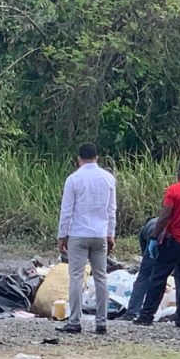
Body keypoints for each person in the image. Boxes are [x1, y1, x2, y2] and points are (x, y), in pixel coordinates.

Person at [134, 161, 180, 329]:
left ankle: (146, 315)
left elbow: (165, 216)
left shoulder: (173, 190)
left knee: (158, 277)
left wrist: (154, 237)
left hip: (173, 241)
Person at [56, 143, 117, 335]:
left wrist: (62, 235)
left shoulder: (73, 179)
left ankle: (74, 320)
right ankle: (101, 322)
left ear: (78, 159)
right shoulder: (108, 178)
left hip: (78, 234)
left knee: (76, 277)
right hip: (100, 234)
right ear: (97, 158)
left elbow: (66, 210)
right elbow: (111, 210)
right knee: (101, 277)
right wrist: (110, 233)